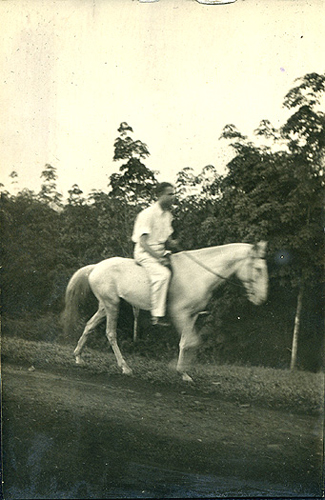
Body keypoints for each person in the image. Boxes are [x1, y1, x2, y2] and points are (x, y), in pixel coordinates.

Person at [132, 182, 178, 327]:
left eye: (174, 194)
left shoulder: (168, 215)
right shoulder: (147, 214)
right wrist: (159, 259)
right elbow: (143, 242)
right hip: (144, 253)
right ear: (159, 195)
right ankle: (156, 316)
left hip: (160, 252)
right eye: (170, 194)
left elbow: (167, 239)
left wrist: (174, 244)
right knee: (162, 275)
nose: (173, 197)